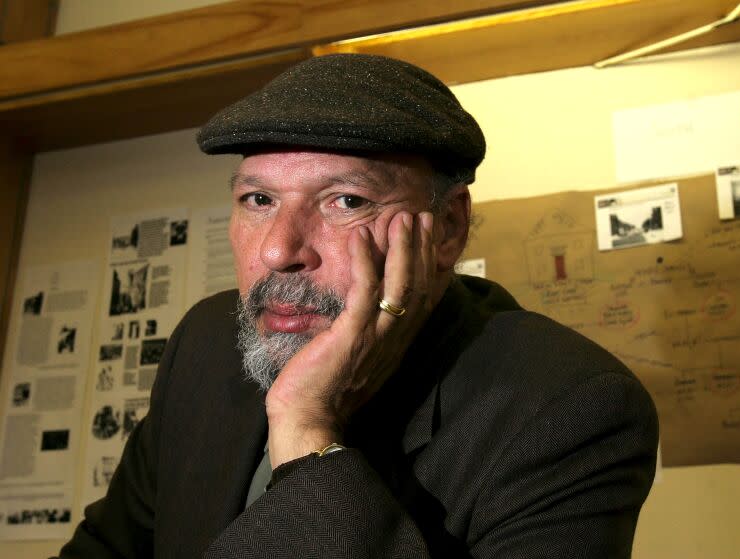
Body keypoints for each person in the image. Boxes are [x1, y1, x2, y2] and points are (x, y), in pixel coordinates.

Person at [59, 54, 658, 558]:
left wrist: (305, 424)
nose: (278, 250)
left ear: (447, 229)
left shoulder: (569, 405)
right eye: (259, 198)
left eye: (345, 200)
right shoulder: (205, 342)